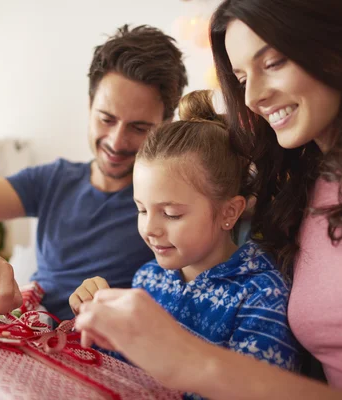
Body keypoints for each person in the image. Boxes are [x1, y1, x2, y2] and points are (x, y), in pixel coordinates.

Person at [74, 0, 342, 398]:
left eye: (274, 62)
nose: (252, 97)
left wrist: (185, 358)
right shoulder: (302, 186)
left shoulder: (259, 286)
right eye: (240, 76)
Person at [0, 25, 188, 322]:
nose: (116, 141)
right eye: (106, 119)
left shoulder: (173, 204)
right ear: (89, 106)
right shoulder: (55, 180)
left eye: (139, 128)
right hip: (26, 330)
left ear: (165, 125)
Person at [69, 91, 300, 378]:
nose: (150, 229)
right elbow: (125, 374)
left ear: (229, 212)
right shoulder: (148, 278)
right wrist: (96, 322)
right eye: (141, 210)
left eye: (171, 214)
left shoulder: (260, 296)